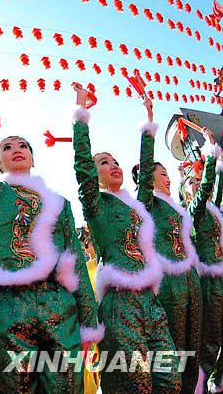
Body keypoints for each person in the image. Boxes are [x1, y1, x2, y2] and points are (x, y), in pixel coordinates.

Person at [0, 61, 99, 392]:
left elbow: (75, 261)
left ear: (32, 157)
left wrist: (88, 323)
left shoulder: (60, 204)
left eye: (23, 146)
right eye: (7, 147)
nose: (16, 149)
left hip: (59, 309)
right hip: (8, 310)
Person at [71, 82, 181, 392]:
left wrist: (148, 122)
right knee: (136, 384)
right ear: (95, 174)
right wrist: (80, 115)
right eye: (104, 163)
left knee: (170, 381)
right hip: (120, 305)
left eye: (115, 161)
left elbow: (145, 175)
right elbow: (83, 167)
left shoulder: (138, 206)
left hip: (151, 303)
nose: (113, 166)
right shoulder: (95, 204)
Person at [132, 101, 202, 393]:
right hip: (168, 283)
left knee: (194, 345)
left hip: (191, 279)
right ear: (149, 178)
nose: (168, 178)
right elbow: (145, 166)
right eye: (162, 174)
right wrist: (149, 124)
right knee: (174, 349)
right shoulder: (146, 204)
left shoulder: (177, 207)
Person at [179, 129, 223, 393]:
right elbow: (208, 185)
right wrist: (209, 151)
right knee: (212, 339)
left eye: (198, 180)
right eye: (191, 183)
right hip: (210, 282)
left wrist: (218, 159)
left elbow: (217, 187)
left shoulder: (213, 209)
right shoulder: (193, 211)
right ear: (186, 194)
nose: (197, 183)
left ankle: (217, 381)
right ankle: (203, 386)